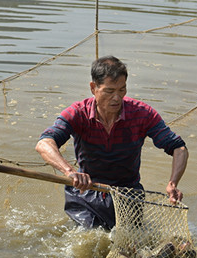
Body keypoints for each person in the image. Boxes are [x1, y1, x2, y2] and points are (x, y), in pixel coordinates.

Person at [36, 55, 188, 230]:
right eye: (109, 91)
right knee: (90, 239)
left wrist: (173, 183)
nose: (116, 98)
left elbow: (178, 147)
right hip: (86, 191)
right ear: (93, 88)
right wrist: (69, 172)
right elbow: (44, 143)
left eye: (122, 90)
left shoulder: (142, 114)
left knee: (130, 246)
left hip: (127, 194)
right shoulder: (78, 113)